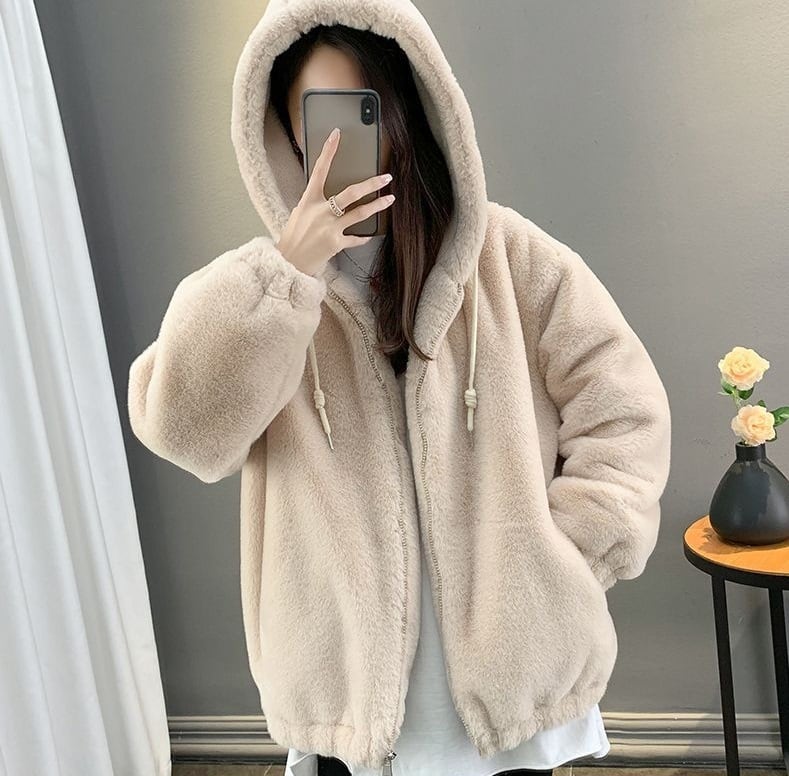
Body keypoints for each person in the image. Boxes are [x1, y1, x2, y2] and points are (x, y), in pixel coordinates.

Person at [126, 1, 672, 775]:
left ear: (410, 109)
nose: (341, 143)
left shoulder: (511, 258)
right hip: (350, 683)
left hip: (507, 671)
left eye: (362, 111)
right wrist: (285, 271)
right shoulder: (261, 296)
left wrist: (564, 557)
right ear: (284, 136)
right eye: (317, 119)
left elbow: (623, 409)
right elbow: (186, 433)